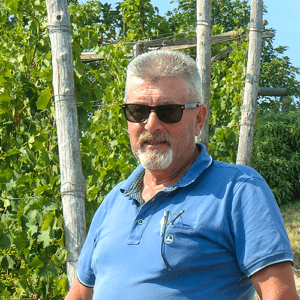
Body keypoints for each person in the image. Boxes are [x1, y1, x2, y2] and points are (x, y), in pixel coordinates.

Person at [65, 50, 299, 300]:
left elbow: (280, 295)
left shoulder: (238, 190)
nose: (151, 125)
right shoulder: (115, 200)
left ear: (199, 119)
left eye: (168, 111)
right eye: (137, 111)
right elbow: (80, 294)